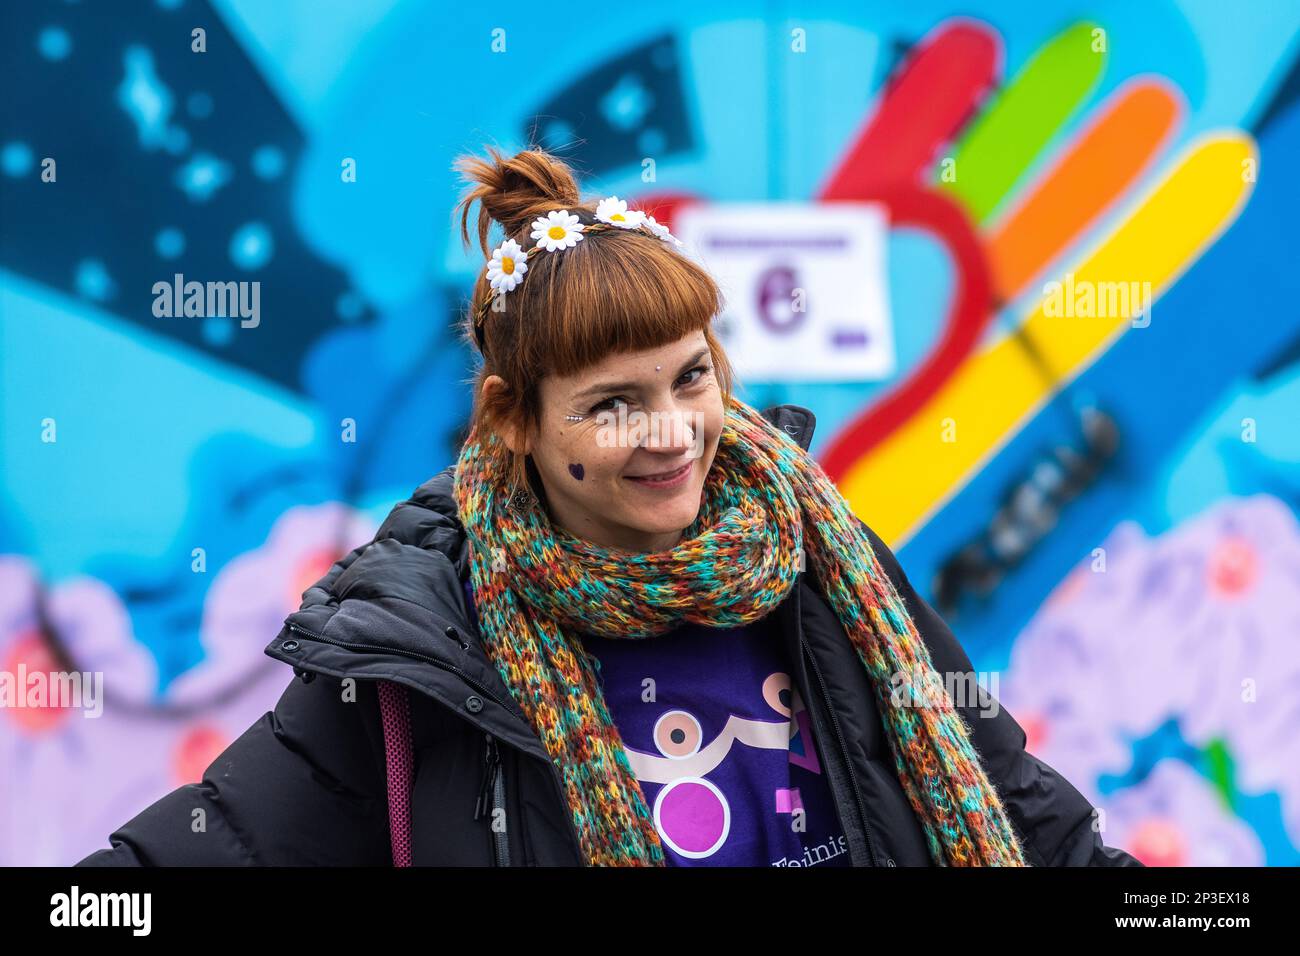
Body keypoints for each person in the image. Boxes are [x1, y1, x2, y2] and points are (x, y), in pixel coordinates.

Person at [77, 147, 1142, 867]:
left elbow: (1029, 822)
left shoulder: (826, 560)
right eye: (613, 404)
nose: (673, 431)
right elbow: (204, 852)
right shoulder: (430, 642)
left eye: (689, 377)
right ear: (514, 423)